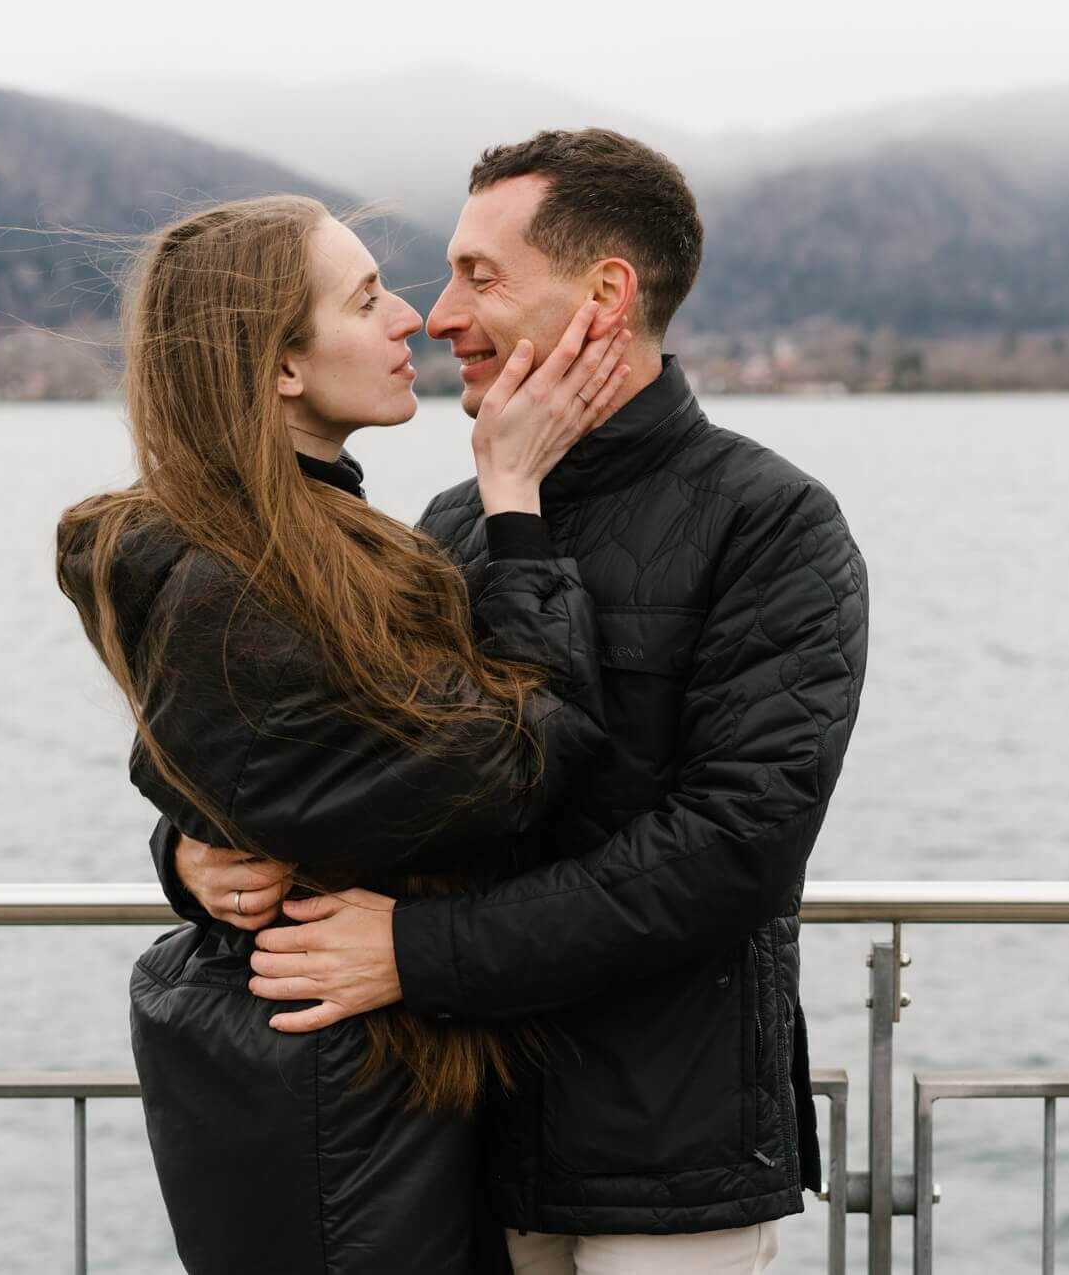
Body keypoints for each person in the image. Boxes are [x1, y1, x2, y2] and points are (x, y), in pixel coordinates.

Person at [164, 131, 869, 1274]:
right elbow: (348, 769)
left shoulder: (771, 524)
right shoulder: (450, 524)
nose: (437, 314)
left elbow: (733, 847)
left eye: (478, 276)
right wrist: (190, 851)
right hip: (455, 1139)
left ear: (605, 292)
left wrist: (415, 951)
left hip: (661, 1157)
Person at [56, 193, 638, 1274]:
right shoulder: (238, 579)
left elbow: (280, 781)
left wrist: (191, 854)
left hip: (338, 1077)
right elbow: (522, 761)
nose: (411, 317)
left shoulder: (281, 547)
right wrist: (512, 500)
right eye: (366, 298)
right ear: (279, 365)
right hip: (333, 1095)